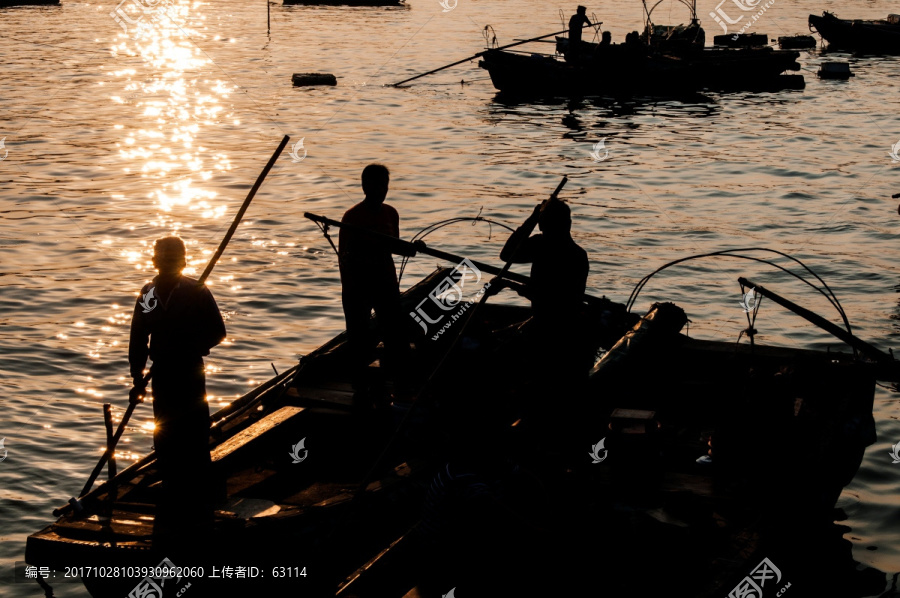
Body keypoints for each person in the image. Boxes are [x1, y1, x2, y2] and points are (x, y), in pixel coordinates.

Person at [128, 236, 226, 548]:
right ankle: (171, 484)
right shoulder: (149, 294)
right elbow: (138, 337)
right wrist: (137, 376)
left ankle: (199, 488)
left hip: (189, 368)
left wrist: (193, 345)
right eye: (164, 258)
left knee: (196, 426)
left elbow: (217, 331)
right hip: (163, 373)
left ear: (182, 262)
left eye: (174, 258)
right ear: (156, 262)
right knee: (165, 428)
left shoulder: (196, 290)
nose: (169, 263)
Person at [499, 199, 591, 455]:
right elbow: (507, 254)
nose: (542, 229)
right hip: (545, 323)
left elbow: (554, 299)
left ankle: (541, 437)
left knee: (543, 385)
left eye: (544, 224)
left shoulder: (571, 255)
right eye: (541, 225)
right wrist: (530, 219)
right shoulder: (542, 244)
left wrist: (513, 287)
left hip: (559, 328)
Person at [339, 164, 413, 403]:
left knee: (395, 334)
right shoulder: (352, 217)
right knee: (358, 338)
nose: (381, 189)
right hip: (358, 286)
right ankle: (360, 386)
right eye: (375, 184)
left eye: (384, 185)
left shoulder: (391, 213)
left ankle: (396, 382)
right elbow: (345, 258)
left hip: (386, 282)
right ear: (364, 186)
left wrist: (412, 249)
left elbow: (394, 245)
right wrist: (350, 290)